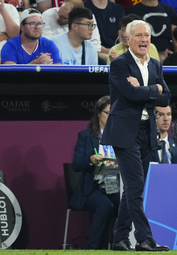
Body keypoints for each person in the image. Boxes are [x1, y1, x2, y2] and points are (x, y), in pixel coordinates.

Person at [100, 20, 171, 251]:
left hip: (146, 132)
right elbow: (130, 94)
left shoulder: (156, 65)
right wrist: (153, 89)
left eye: (147, 35)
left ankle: (120, 238)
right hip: (124, 133)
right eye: (139, 35)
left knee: (132, 189)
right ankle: (143, 239)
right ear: (128, 39)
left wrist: (144, 88)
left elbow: (166, 98)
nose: (144, 40)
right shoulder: (120, 64)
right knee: (136, 185)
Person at [71, 95, 120, 250]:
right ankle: (93, 249)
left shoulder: (121, 137)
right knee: (104, 205)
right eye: (107, 113)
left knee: (129, 204)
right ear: (99, 113)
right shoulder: (85, 136)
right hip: (92, 188)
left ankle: (122, 245)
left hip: (115, 185)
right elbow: (76, 165)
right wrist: (91, 159)